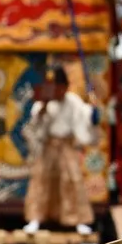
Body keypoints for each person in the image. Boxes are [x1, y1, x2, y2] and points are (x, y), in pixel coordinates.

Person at [23, 68, 96, 232]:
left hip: (66, 146)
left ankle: (78, 220)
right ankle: (36, 218)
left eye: (59, 87)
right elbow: (35, 128)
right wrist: (43, 108)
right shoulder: (42, 105)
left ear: (65, 86)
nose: (56, 91)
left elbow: (84, 117)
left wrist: (92, 114)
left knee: (72, 180)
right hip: (48, 147)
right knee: (41, 181)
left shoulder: (73, 101)